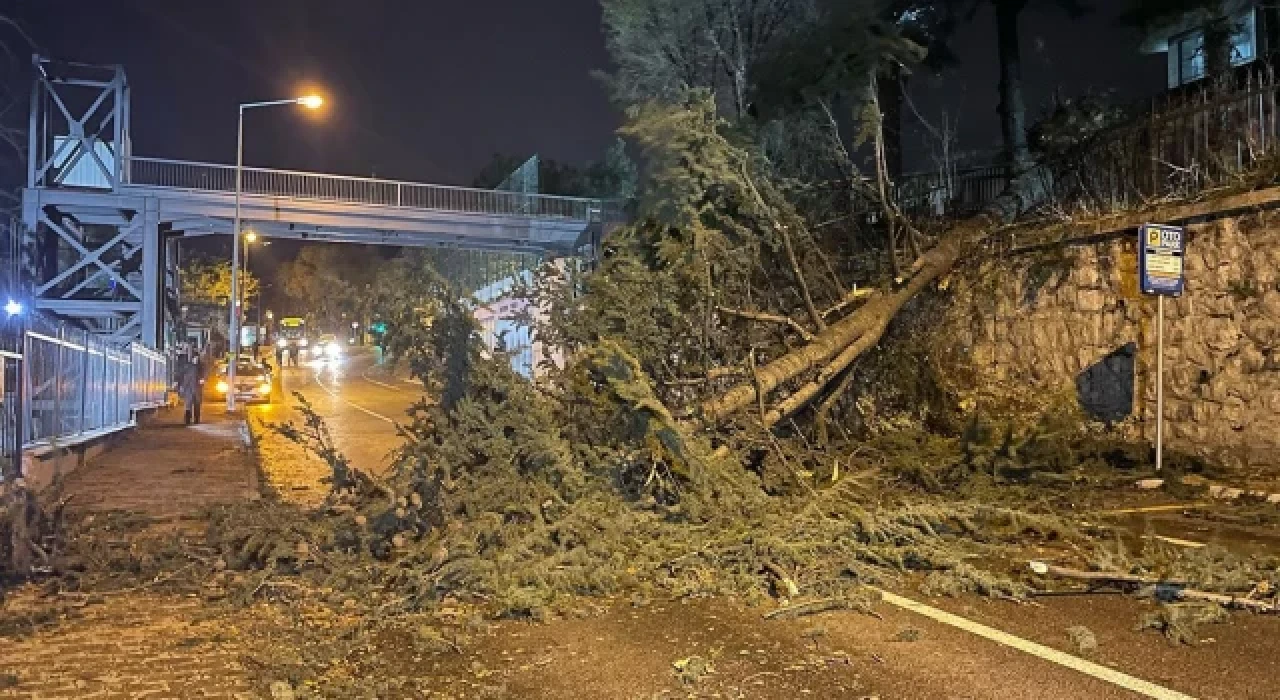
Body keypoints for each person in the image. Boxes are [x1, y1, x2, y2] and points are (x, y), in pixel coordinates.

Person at [179, 350, 205, 425]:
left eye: (197, 357)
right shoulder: (189, 367)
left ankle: (196, 420)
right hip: (190, 389)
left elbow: (203, 377)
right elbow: (185, 378)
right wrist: (183, 387)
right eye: (195, 357)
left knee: (196, 405)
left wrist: (202, 380)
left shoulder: (200, 367)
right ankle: (188, 420)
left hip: (196, 389)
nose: (196, 359)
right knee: (188, 406)